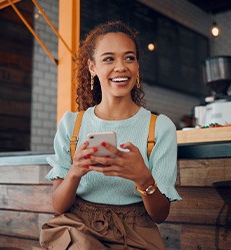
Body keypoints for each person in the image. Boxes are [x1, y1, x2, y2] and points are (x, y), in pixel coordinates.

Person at [40, 20, 181, 249]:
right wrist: (75, 172)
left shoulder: (160, 128)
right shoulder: (71, 125)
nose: (121, 67)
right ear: (92, 67)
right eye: (108, 59)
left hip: (137, 232)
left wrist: (143, 179)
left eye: (129, 58)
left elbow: (160, 215)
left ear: (137, 66)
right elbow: (58, 205)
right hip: (78, 229)